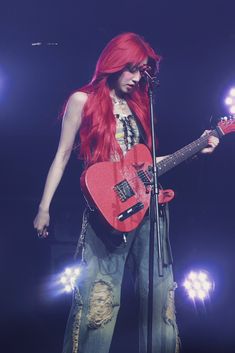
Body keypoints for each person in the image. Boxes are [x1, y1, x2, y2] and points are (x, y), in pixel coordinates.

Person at [33, 32, 219, 353]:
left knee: (159, 297)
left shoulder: (139, 106)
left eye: (142, 71)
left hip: (148, 209)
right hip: (107, 213)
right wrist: (44, 207)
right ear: (113, 63)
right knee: (100, 300)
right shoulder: (83, 100)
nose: (136, 78)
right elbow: (62, 155)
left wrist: (199, 145)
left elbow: (145, 165)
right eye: (131, 69)